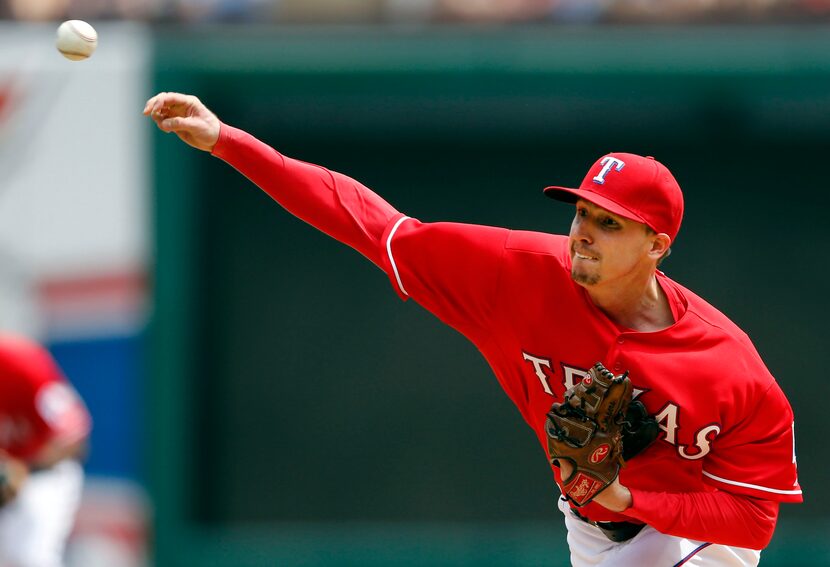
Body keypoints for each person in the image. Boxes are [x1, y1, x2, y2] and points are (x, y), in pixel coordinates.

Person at [144, 92, 802, 566]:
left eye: (611, 223)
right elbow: (369, 224)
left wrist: (629, 491)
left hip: (695, 530)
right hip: (592, 530)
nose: (584, 234)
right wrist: (227, 140)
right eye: (582, 213)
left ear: (657, 245)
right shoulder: (514, 273)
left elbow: (753, 517)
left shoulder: (729, 367)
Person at [0, 334, 91, 567]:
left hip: (45, 474)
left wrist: (23, 469)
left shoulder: (22, 361)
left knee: (30, 556)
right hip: (7, 475)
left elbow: (74, 439)